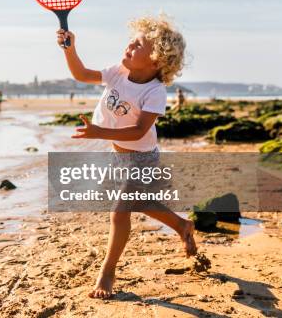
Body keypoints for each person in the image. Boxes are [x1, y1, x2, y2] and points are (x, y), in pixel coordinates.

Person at [56, 15, 196, 299]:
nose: (130, 44)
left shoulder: (155, 91)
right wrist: (70, 50)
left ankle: (107, 273)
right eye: (132, 40)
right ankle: (182, 226)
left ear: (156, 60)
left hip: (142, 159)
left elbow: (138, 130)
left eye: (139, 44)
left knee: (120, 212)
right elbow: (82, 74)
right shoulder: (119, 71)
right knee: (141, 204)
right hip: (119, 155)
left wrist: (99, 132)